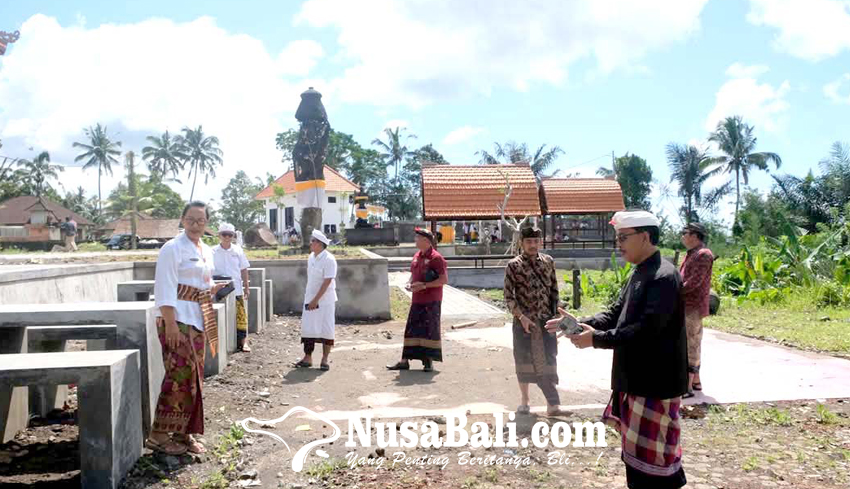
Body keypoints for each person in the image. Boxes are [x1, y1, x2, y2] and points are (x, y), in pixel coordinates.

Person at [547, 210, 688, 489]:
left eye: (623, 237)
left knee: (656, 468)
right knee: (637, 463)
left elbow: (646, 331)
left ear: (645, 237)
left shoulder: (663, 276)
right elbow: (615, 314)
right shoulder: (639, 272)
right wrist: (580, 324)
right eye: (617, 238)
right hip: (636, 380)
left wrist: (596, 339)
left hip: (655, 384)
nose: (618, 244)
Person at [147, 201, 225, 456]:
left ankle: (184, 432)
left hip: (199, 317)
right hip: (177, 319)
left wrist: (212, 288)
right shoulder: (172, 248)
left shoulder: (206, 249)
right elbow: (165, 287)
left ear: (207, 224)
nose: (195, 225)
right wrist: (170, 323)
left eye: (201, 221)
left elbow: (202, 280)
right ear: (181, 220)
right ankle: (158, 435)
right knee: (178, 377)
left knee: (195, 379)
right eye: (191, 219)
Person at [504, 226, 566, 416]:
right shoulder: (513, 265)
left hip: (546, 322)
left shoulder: (548, 262)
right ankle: (525, 400)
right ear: (521, 243)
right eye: (528, 241)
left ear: (540, 242)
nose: (532, 245)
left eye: (535, 241)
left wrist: (558, 315)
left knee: (549, 361)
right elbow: (508, 297)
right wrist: (521, 317)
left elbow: (554, 291)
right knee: (524, 362)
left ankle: (552, 405)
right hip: (524, 323)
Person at [387, 228, 448, 372]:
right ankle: (404, 361)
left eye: (417, 238)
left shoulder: (436, 258)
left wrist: (425, 285)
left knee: (429, 330)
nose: (415, 240)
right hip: (417, 300)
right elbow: (413, 275)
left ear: (426, 241)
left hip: (431, 300)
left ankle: (428, 363)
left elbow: (444, 279)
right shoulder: (416, 256)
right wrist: (409, 283)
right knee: (411, 329)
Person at [294, 229, 338, 371]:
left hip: (325, 300)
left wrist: (316, 300)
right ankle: (308, 357)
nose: (311, 243)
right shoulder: (311, 257)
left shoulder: (329, 259)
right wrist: (311, 299)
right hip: (310, 296)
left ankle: (325, 359)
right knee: (308, 328)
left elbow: (327, 282)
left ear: (320, 244)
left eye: (313, 241)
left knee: (326, 328)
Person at [680, 222, 714, 397]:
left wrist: (674, 290)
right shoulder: (692, 254)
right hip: (687, 305)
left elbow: (694, 282)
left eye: (684, 233)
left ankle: (686, 386)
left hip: (693, 306)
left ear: (694, 235)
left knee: (690, 343)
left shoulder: (703, 254)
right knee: (693, 341)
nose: (682, 236)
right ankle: (696, 380)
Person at [212, 223, 252, 352]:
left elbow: (244, 269)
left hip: (236, 288)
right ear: (219, 235)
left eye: (230, 235)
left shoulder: (238, 250)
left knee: (241, 316)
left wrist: (247, 286)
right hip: (218, 287)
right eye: (224, 234)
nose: (227, 237)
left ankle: (243, 342)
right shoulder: (212, 251)